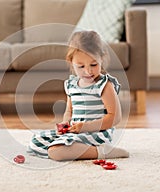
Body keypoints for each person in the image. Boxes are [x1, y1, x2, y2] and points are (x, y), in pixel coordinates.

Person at [28, 30, 129, 161]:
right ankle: (76, 149)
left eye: (94, 64)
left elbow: (115, 118)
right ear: (71, 62)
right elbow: (69, 111)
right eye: (81, 66)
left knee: (56, 151)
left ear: (102, 58)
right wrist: (65, 123)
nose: (88, 71)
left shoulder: (104, 85)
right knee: (35, 142)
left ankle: (102, 151)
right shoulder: (71, 85)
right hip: (75, 132)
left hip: (96, 134)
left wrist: (85, 127)